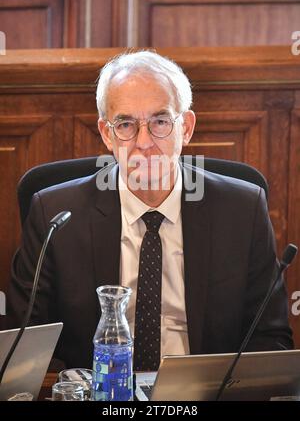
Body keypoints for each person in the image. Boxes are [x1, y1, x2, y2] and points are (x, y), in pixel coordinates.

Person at [7, 50, 293, 369]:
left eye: (159, 121)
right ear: (107, 134)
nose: (143, 142)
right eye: (126, 124)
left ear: (186, 127)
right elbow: (24, 346)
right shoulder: (55, 214)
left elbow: (271, 339)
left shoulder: (242, 210)